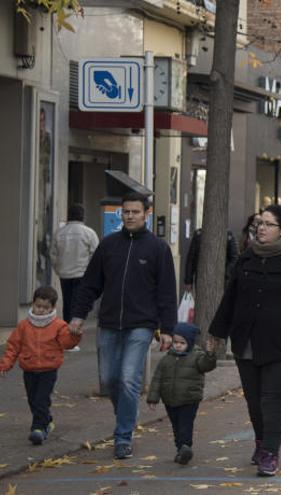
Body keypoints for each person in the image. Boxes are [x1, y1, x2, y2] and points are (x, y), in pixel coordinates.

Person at [207, 204, 281, 477]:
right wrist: (217, 332)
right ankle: (261, 441)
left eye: (267, 224)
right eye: (258, 223)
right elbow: (230, 298)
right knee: (254, 400)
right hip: (247, 341)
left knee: (274, 398)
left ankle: (271, 452)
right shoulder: (247, 258)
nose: (260, 227)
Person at [69, 192, 177, 460]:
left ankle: (123, 436)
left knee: (129, 379)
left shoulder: (158, 248)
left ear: (146, 214)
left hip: (141, 325)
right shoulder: (108, 246)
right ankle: (126, 417)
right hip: (108, 324)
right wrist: (78, 315)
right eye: (125, 212)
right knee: (110, 380)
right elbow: (90, 284)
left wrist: (168, 329)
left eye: (135, 212)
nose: (129, 216)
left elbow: (166, 292)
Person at [0, 287, 81, 445]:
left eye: (45, 308)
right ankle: (47, 421)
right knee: (32, 399)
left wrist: (75, 334)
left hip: (49, 369)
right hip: (29, 368)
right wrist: (5, 365)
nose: (41, 310)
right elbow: (13, 346)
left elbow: (67, 343)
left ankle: (38, 429)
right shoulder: (24, 326)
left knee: (41, 400)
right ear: (33, 304)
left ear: (52, 308)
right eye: (38, 306)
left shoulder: (58, 325)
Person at [146, 322, 216, 465]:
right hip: (170, 400)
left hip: (189, 399)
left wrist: (210, 354)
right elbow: (157, 379)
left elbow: (207, 365)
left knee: (185, 424)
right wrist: (153, 398)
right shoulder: (167, 359)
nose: (178, 345)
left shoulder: (197, 357)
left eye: (182, 343)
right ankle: (180, 449)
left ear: (189, 342)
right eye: (176, 342)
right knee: (176, 425)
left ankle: (186, 447)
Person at [50, 204, 99, 324]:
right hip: (82, 274)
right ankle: (75, 329)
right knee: (79, 303)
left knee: (67, 301)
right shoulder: (89, 232)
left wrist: (58, 269)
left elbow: (53, 254)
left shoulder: (59, 233)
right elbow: (96, 255)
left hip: (64, 274)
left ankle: (67, 327)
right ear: (82, 216)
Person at [183, 228, 239, 293]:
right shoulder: (199, 235)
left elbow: (234, 259)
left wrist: (225, 273)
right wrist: (188, 280)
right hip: (201, 279)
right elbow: (190, 259)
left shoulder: (227, 236)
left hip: (221, 281)